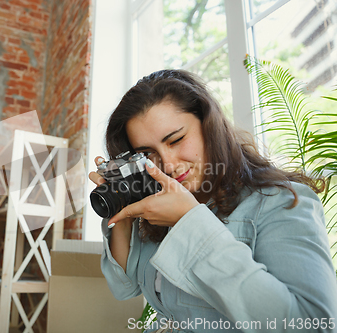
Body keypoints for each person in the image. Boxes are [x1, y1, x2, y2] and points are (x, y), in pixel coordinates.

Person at [89, 69, 337, 332]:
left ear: (209, 126)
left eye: (176, 139)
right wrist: (122, 210)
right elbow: (124, 287)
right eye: (147, 154)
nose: (168, 165)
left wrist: (190, 222)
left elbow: (314, 325)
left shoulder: (281, 203)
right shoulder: (163, 205)